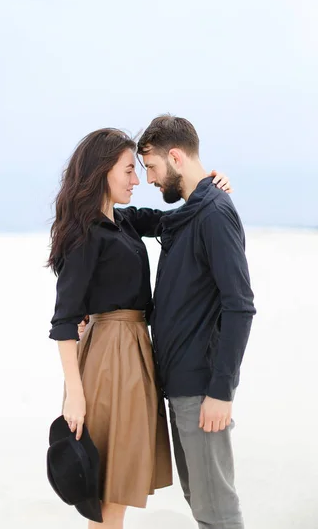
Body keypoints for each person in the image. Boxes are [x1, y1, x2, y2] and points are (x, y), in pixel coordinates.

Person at [48, 127, 232, 529]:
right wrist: (74, 397)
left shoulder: (125, 221)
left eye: (139, 170)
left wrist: (211, 187)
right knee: (107, 495)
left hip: (136, 357)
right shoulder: (84, 234)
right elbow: (63, 323)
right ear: (101, 172)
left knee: (120, 488)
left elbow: (179, 219)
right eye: (129, 170)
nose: (138, 180)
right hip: (108, 362)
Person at [137, 115, 256, 529]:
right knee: (202, 505)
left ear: (175, 156)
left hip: (203, 390)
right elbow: (148, 220)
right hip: (181, 385)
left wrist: (222, 392)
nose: (149, 178)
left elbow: (240, 305)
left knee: (217, 512)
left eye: (151, 167)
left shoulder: (214, 214)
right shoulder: (193, 211)